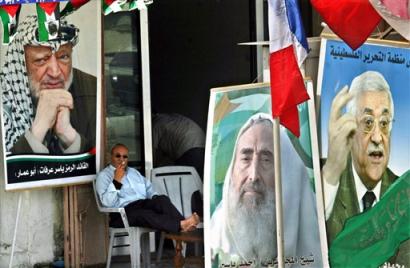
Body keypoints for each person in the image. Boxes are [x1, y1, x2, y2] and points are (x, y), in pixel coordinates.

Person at [210, 113, 322, 267]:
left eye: (266, 160)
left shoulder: (316, 223)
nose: (253, 175)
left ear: (286, 176)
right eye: (245, 159)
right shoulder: (216, 231)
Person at [323, 71, 409, 265]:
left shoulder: (405, 195)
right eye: (368, 122)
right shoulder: (326, 180)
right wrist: (331, 172)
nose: (378, 138)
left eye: (385, 124)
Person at [1, 15, 96, 155]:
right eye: (41, 60)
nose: (55, 72)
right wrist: (38, 130)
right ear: (21, 65)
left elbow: (103, 162)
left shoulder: (92, 90)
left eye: (63, 57)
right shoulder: (4, 101)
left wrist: (69, 137)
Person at [96, 143, 200, 233]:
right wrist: (116, 181)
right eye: (117, 156)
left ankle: (183, 224)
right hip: (121, 213)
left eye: (125, 157)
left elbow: (148, 187)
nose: (121, 160)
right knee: (145, 214)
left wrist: (155, 200)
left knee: (161, 199)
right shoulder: (104, 176)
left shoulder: (134, 172)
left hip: (141, 204)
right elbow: (107, 203)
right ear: (111, 157)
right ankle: (182, 225)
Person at [152, 113, 205, 179]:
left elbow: (152, 155)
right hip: (203, 148)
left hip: (189, 149)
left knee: (178, 182)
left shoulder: (156, 123)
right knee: (196, 183)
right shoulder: (170, 118)